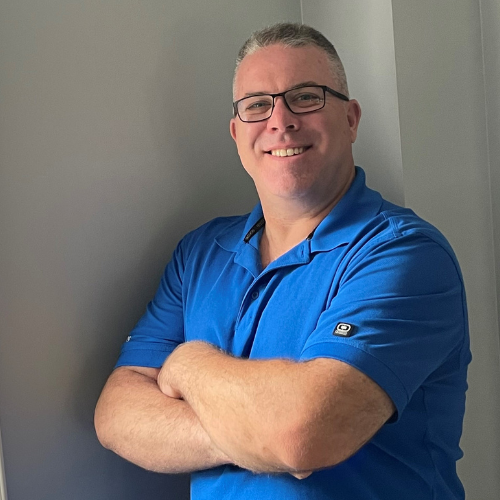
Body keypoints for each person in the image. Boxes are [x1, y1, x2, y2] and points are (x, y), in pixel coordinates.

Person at [94, 22, 471, 500]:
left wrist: (189, 364)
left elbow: (303, 434)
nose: (280, 120)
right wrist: (259, 435)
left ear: (351, 119)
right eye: (257, 105)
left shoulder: (403, 254)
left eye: (307, 97)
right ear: (236, 133)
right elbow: (116, 415)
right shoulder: (200, 253)